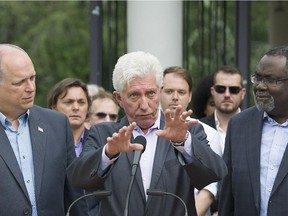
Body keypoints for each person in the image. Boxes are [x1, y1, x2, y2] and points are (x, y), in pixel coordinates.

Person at [67, 51, 227, 216]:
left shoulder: (187, 131)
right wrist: (108, 153)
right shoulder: (104, 135)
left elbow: (216, 173)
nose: (144, 105)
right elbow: (77, 179)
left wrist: (183, 143)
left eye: (150, 93)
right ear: (119, 98)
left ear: (160, 90)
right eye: (134, 95)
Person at [0, 44, 88, 215]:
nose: (31, 88)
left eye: (32, 78)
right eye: (20, 82)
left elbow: (74, 195)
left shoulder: (57, 124)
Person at [219, 45, 288, 216]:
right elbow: (227, 196)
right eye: (257, 78)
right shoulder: (239, 125)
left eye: (271, 80)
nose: (259, 86)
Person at [160, 66, 222, 216]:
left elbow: (209, 190)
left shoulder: (209, 133)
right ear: (158, 93)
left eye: (181, 92)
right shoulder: (145, 129)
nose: (175, 97)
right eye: (169, 91)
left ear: (189, 96)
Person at [201, 65, 246, 154]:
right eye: (221, 89)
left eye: (234, 89)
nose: (227, 95)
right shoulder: (199, 127)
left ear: (243, 93)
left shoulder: (255, 127)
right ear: (212, 91)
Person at [47, 78, 91, 157]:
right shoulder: (45, 141)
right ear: (54, 107)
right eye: (68, 102)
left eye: (81, 102)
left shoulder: (97, 140)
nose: (76, 107)